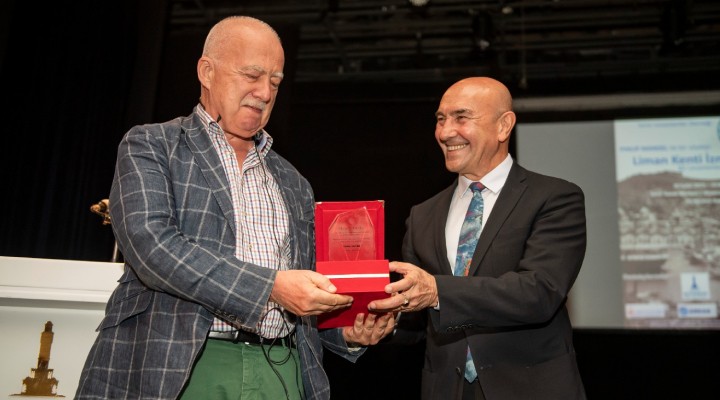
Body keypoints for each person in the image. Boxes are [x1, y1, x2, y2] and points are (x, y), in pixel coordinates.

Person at [75, 16, 394, 400]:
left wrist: (348, 333)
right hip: (182, 364)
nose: (265, 92)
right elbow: (153, 247)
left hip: (282, 368)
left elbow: (306, 293)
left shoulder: (294, 181)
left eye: (275, 82)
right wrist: (271, 288)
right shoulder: (152, 145)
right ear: (207, 72)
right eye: (252, 75)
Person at [369, 77, 587, 400]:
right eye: (440, 119)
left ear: (503, 126)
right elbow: (418, 320)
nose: (445, 132)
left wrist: (437, 290)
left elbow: (539, 292)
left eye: (461, 117)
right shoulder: (422, 215)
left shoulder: (554, 198)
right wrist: (385, 324)